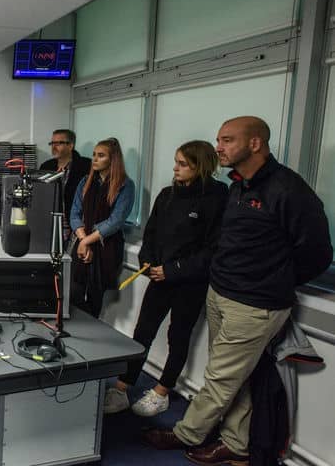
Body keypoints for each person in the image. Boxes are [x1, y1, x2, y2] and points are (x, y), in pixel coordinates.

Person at [143, 117, 332, 466]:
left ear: (256, 143)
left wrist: (273, 280)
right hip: (221, 294)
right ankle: (235, 442)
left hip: (255, 305)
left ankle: (187, 433)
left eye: (228, 140)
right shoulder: (238, 186)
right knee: (234, 377)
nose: (219, 147)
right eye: (218, 139)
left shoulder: (288, 190)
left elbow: (318, 253)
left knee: (220, 378)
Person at [104, 141, 228, 417]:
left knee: (179, 336)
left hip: (190, 282)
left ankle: (162, 392)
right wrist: (147, 262)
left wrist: (173, 270)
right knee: (142, 333)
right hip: (158, 278)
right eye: (176, 162)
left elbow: (212, 249)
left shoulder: (218, 198)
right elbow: (151, 234)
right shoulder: (167, 195)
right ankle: (123, 388)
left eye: (183, 164)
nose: (176, 168)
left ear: (201, 166)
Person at [69, 137, 135, 318]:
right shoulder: (85, 182)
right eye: (94, 155)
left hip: (106, 247)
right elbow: (74, 214)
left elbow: (116, 220)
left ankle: (90, 335)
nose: (95, 159)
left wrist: (88, 241)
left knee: (95, 296)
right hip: (83, 241)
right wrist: (84, 241)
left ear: (112, 159)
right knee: (73, 291)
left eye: (101, 155)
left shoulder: (125, 186)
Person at [38, 129, 91, 241]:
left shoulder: (86, 166)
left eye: (59, 143)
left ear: (70, 145)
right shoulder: (46, 166)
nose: (54, 146)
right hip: (51, 225)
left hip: (77, 227)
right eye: (52, 143)